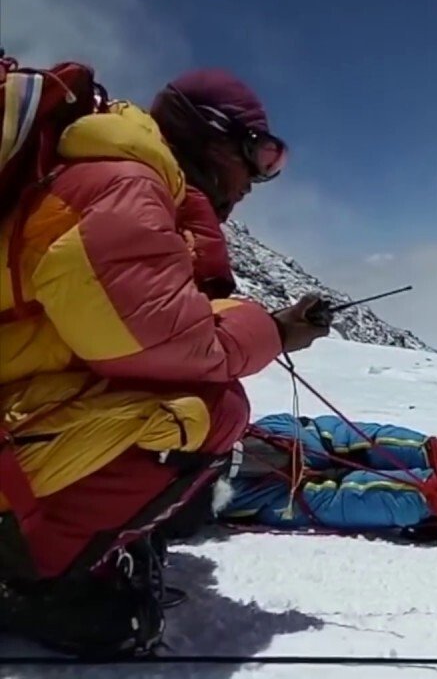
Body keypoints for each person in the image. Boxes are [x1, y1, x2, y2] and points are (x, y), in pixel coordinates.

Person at [0, 64, 329, 658]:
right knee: (207, 408)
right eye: (259, 154)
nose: (259, 179)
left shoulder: (115, 177)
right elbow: (169, 348)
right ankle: (30, 578)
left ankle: (53, 538)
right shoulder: (122, 184)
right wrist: (274, 332)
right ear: (209, 135)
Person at [175, 413, 437, 539]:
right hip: (211, 493)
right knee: (308, 492)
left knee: (312, 448)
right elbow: (329, 503)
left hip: (240, 448)